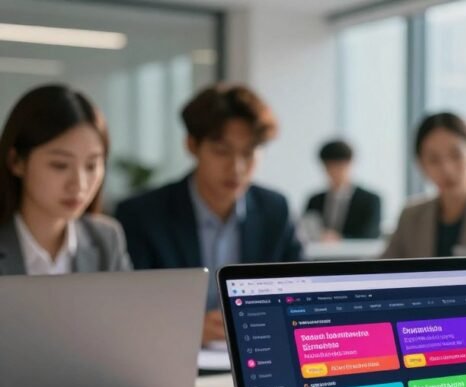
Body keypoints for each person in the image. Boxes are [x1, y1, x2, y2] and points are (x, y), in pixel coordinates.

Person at [116, 84, 302, 345]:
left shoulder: (275, 210)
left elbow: (300, 295)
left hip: (256, 353)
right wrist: (187, 327)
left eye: (248, 153)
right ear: (192, 145)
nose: (236, 168)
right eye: (222, 151)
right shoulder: (143, 214)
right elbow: (128, 309)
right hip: (173, 355)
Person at [0, 85, 131, 276]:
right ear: (16, 162)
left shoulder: (106, 238)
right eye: (60, 165)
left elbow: (125, 305)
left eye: (91, 166)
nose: (79, 185)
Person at [382, 112, 466, 259]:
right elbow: (384, 269)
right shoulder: (410, 216)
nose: (446, 169)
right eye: (434, 159)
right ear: (421, 165)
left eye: (456, 155)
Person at [304, 139, 382, 240]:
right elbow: (304, 230)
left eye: (339, 167)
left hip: (356, 254)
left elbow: (371, 234)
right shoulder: (314, 200)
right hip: (318, 254)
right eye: (329, 167)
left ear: (350, 164)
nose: (334, 172)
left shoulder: (370, 200)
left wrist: (340, 238)